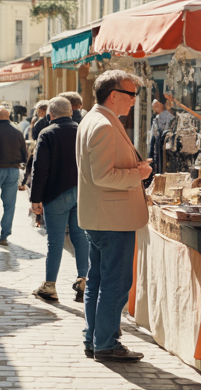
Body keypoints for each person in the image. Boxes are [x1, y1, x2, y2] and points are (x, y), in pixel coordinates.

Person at [76, 70, 151, 363]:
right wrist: (139, 174)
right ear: (114, 95)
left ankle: (95, 338)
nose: (134, 101)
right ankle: (106, 343)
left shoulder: (95, 120)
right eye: (132, 95)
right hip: (112, 218)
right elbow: (103, 175)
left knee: (98, 281)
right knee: (115, 284)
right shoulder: (103, 125)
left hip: (102, 216)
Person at [30, 96, 89, 303]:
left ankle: (50, 286)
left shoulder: (47, 133)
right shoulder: (82, 130)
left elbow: (40, 169)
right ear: (71, 113)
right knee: (80, 237)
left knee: (55, 241)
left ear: (50, 115)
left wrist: (35, 198)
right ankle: (84, 280)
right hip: (81, 192)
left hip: (56, 194)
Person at [0, 105, 28, 245]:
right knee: (9, 204)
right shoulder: (17, 130)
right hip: (12, 170)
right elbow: (24, 153)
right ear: (8, 117)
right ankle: (5, 234)